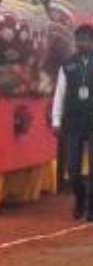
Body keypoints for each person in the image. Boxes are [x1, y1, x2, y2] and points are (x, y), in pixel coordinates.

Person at [52, 24, 93, 220]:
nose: (82, 44)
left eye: (86, 40)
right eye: (79, 40)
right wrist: (56, 120)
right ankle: (81, 197)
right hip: (73, 122)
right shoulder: (67, 65)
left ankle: (91, 209)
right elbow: (59, 94)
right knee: (73, 170)